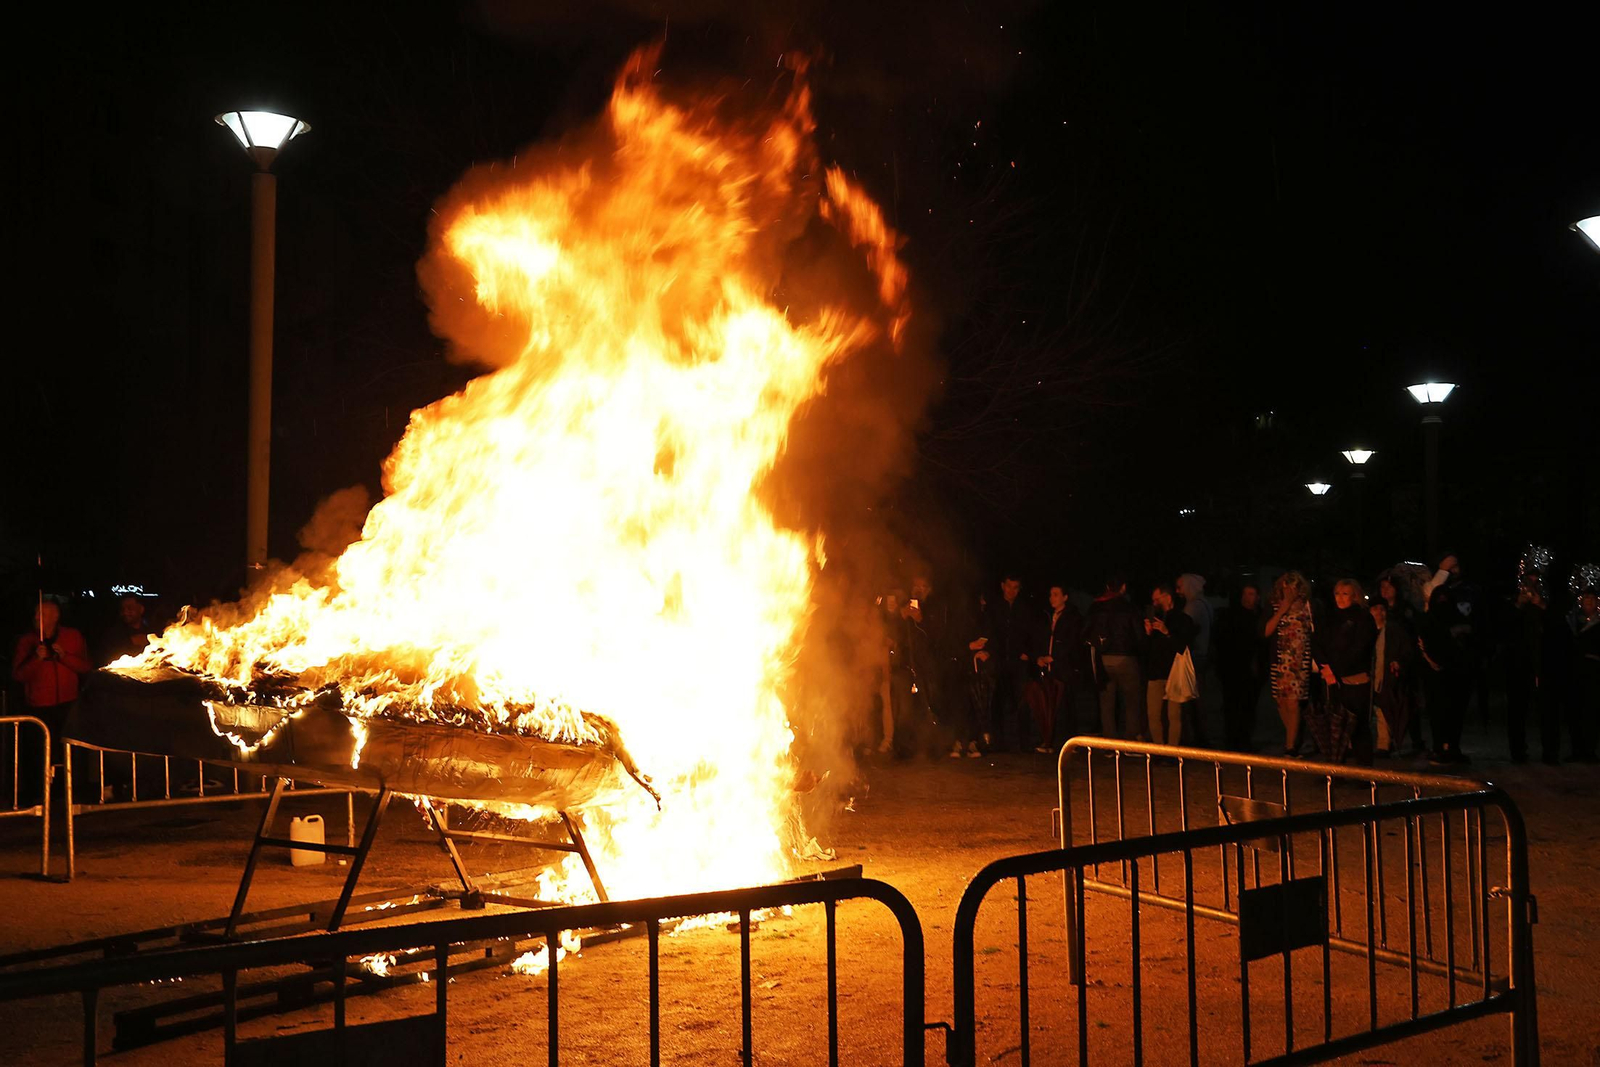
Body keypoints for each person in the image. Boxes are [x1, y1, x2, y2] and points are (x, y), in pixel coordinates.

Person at [11, 600, 94, 803]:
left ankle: (75, 795)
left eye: (43, 613)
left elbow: (85, 667)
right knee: (38, 754)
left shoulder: (72, 636)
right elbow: (18, 675)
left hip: (68, 702)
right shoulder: (27, 641)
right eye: (36, 613)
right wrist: (37, 659)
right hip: (39, 707)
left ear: (55, 616)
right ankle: (38, 798)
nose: (37, 617)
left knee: (71, 752)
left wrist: (63, 657)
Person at [1312, 579, 1378, 763]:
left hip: (1355, 679)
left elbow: (1361, 648)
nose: (1340, 598)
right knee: (1334, 726)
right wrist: (1325, 668)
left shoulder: (1363, 618)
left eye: (1345, 594)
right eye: (1337, 593)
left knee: (1357, 726)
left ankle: (1364, 771)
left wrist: (1336, 671)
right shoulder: (1330, 617)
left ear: (1354, 595)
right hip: (1331, 679)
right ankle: (1336, 768)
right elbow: (1316, 642)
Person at [1085, 575, 1145, 738]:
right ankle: (1131, 739)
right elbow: (1139, 636)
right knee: (1132, 701)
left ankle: (1109, 743)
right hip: (1126, 657)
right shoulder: (1129, 607)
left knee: (1106, 703)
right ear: (1123, 587)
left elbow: (1087, 632)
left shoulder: (1096, 607)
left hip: (1102, 658)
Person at [1026, 584, 1083, 753]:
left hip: (1064, 668)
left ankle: (1069, 743)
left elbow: (1072, 643)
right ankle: (1048, 740)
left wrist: (1056, 657)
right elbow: (1040, 639)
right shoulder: (1047, 616)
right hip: (1048, 668)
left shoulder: (1073, 617)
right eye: (1051, 594)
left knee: (1065, 705)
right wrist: (1040, 657)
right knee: (1048, 704)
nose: (1052, 598)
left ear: (1065, 597)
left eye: (1056, 594)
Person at [1417, 585, 1470, 764]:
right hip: (1435, 675)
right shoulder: (1428, 620)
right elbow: (1424, 641)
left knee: (1454, 712)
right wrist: (1432, 660)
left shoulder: (1458, 620)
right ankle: (1440, 746)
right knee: (1438, 712)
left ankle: (1451, 747)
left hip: (1455, 674)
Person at [1264, 571, 1314, 756]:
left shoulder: (1308, 607)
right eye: (1286, 587)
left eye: (1293, 587)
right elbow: (1266, 631)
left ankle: (1290, 746)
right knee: (1281, 702)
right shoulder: (1275, 606)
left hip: (1298, 661)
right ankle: (1294, 738)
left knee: (1293, 703)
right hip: (1279, 659)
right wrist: (1282, 609)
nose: (1290, 591)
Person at [986, 573, 1038, 751]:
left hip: (1018, 663)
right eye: (1009, 586)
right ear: (1002, 586)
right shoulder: (994, 607)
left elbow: (1031, 633)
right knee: (997, 703)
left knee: (1022, 703)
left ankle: (1024, 743)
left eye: (1015, 587)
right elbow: (989, 632)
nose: (1011, 591)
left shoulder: (1024, 608)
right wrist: (992, 653)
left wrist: (1027, 653)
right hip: (999, 661)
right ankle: (998, 743)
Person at [1378, 573, 1427, 755]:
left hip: (1404, 661)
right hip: (1384, 658)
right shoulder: (1380, 608)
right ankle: (1387, 740)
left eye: (1389, 587)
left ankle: (1416, 740)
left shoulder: (1405, 610)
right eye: (1383, 587)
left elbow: (1410, 636)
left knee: (1407, 700)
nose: (1385, 591)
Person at [1142, 583, 1196, 746]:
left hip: (1174, 673)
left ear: (1167, 597)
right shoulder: (1157, 618)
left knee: (1174, 715)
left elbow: (1183, 646)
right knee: (1154, 715)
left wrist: (1167, 632)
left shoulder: (1183, 619)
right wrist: (1148, 634)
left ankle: (1172, 751)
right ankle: (1159, 750)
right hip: (1155, 673)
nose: (1155, 603)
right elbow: (1147, 649)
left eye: (1157, 599)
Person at [1215, 583, 1266, 751]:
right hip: (1234, 668)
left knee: (1248, 707)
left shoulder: (1259, 616)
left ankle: (1243, 739)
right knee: (1233, 705)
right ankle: (1233, 740)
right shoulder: (1234, 616)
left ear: (1258, 597)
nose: (1247, 597)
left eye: (1251, 594)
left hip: (1250, 669)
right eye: (1245, 593)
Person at [1503, 578, 1549, 764]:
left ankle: (1549, 752)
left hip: (1542, 663)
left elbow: (1553, 627)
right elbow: (1505, 629)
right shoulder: (1512, 607)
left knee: (1546, 710)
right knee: (1517, 711)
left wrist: (1541, 606)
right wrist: (1518, 606)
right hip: (1518, 666)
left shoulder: (1543, 605)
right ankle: (1518, 751)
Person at [1370, 600, 1417, 757]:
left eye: (1381, 609)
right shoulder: (1366, 630)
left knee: (1384, 709)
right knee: (1376, 710)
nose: (1379, 612)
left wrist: (1398, 662)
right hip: (1370, 676)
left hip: (1385, 676)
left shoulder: (1394, 630)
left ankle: (1384, 744)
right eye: (1375, 609)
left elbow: (1406, 650)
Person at [1176, 573, 1213, 746]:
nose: (1178, 591)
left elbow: (1185, 631)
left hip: (1195, 657)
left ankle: (1198, 738)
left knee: (1193, 699)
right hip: (1203, 655)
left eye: (1180, 586)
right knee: (1199, 698)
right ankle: (1201, 736)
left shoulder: (1193, 607)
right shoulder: (1204, 604)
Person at [1571, 588, 1600, 762]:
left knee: (1591, 711)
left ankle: (1589, 751)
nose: (1588, 600)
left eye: (1592, 597)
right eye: (1586, 597)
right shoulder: (1573, 621)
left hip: (1594, 673)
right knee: (1575, 711)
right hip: (1575, 672)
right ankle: (1577, 750)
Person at [98, 595, 153, 666]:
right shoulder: (114, 633)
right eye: (122, 609)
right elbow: (106, 655)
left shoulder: (151, 631)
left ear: (141, 609)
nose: (125, 612)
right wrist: (130, 642)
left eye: (130, 608)